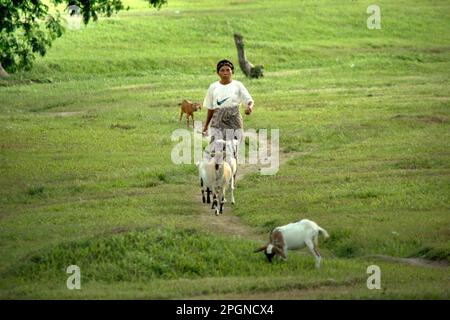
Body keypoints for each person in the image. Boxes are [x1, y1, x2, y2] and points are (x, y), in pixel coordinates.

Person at [202, 59, 254, 160]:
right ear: (218, 73)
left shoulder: (237, 85)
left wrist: (249, 107)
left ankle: (232, 173)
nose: (225, 73)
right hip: (218, 120)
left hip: (234, 119)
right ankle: (217, 172)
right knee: (216, 148)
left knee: (233, 148)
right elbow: (211, 108)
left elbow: (249, 100)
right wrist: (205, 126)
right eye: (222, 70)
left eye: (228, 70)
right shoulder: (213, 87)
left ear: (232, 72)